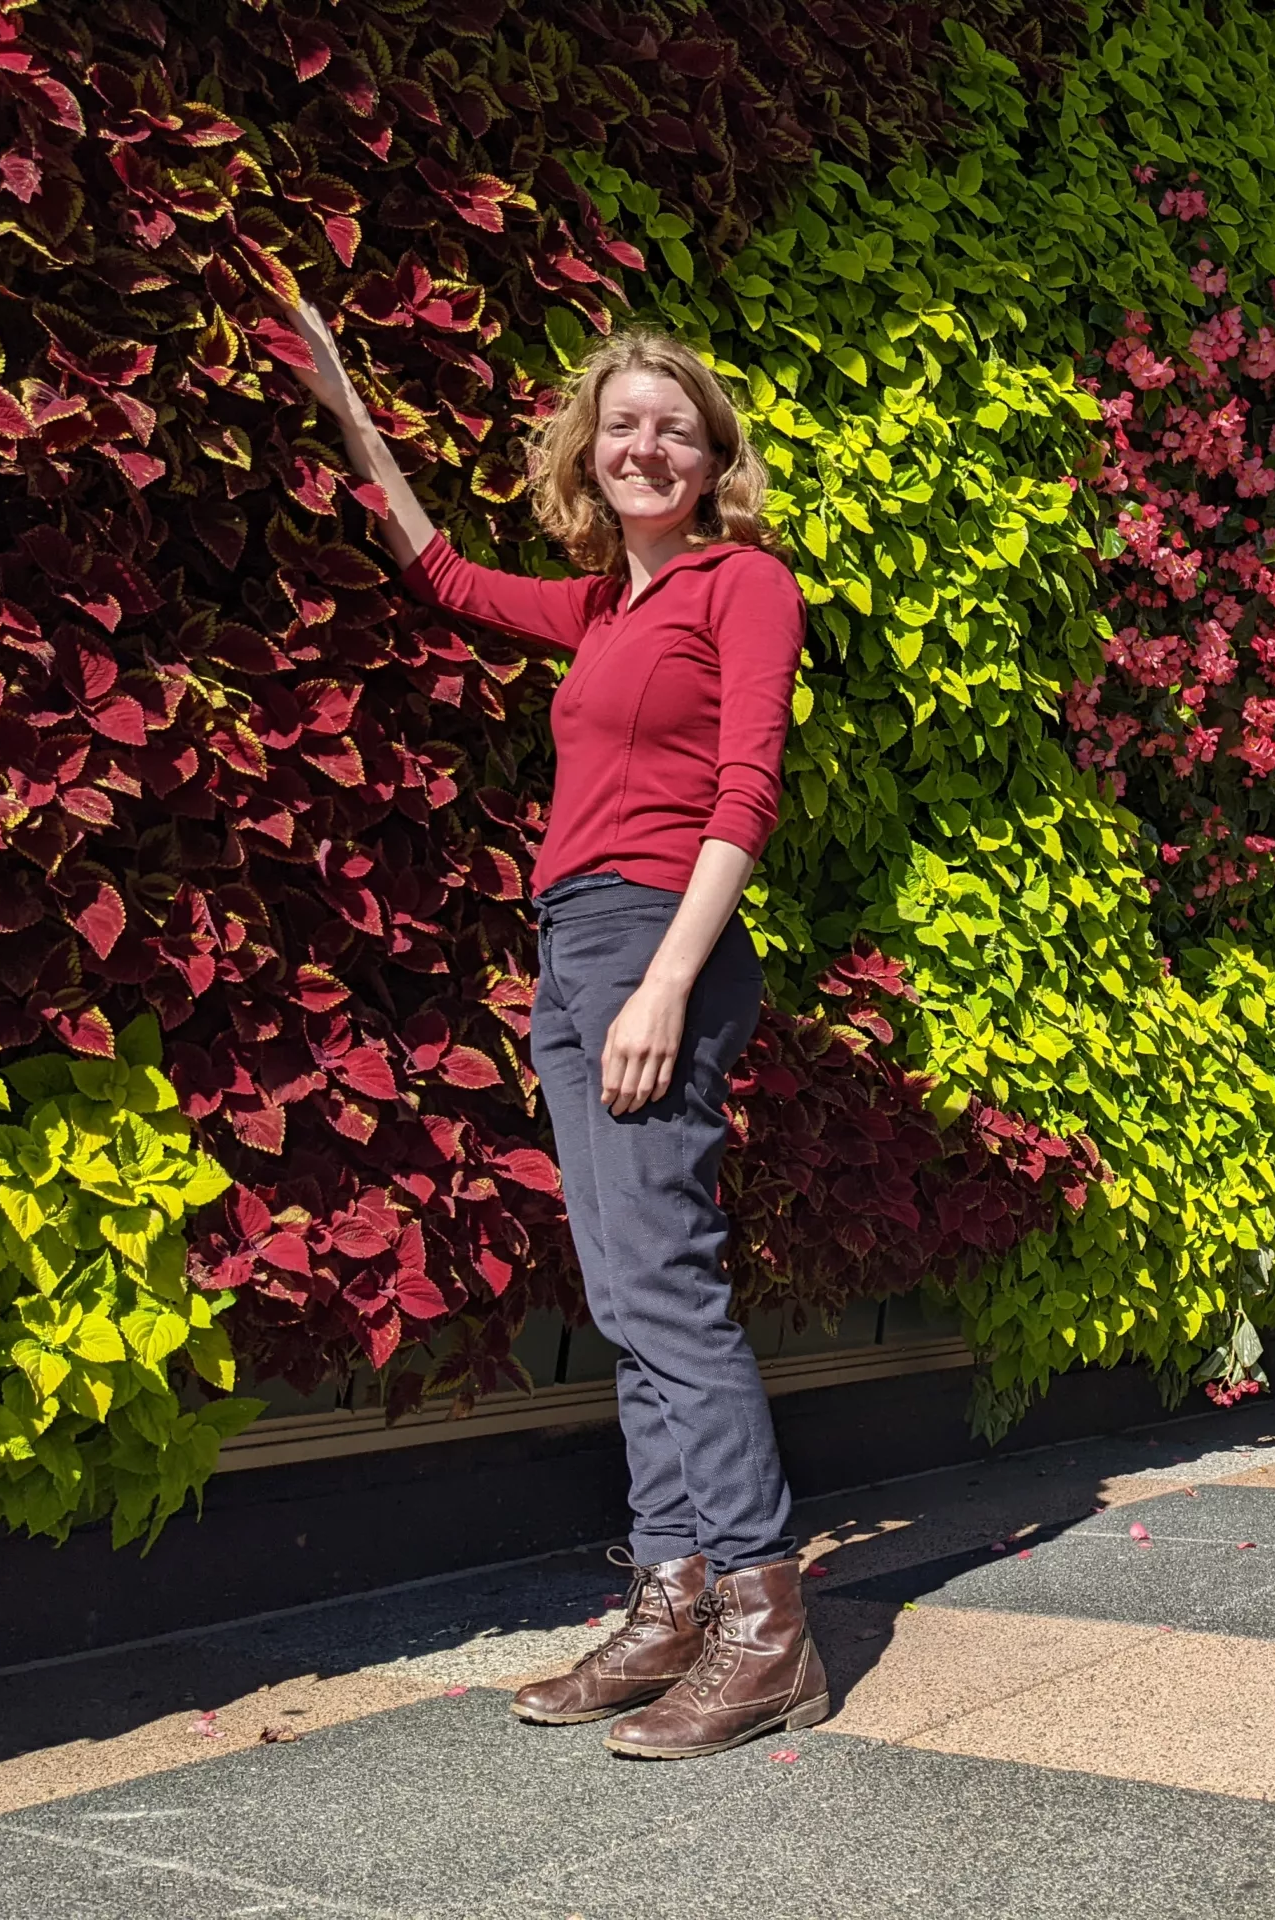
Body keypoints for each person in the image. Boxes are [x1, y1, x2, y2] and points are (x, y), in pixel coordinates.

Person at [278, 301, 825, 1761]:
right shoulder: (602, 609)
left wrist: (663, 982)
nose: (645, 444)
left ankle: (768, 1627)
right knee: (626, 1292)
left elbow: (746, 795)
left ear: (714, 459)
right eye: (623, 423)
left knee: (673, 1290)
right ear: (593, 450)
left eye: (675, 426)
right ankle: (671, 1600)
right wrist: (344, 402)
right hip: (572, 945)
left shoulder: (742, 585)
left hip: (661, 942)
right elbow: (446, 576)